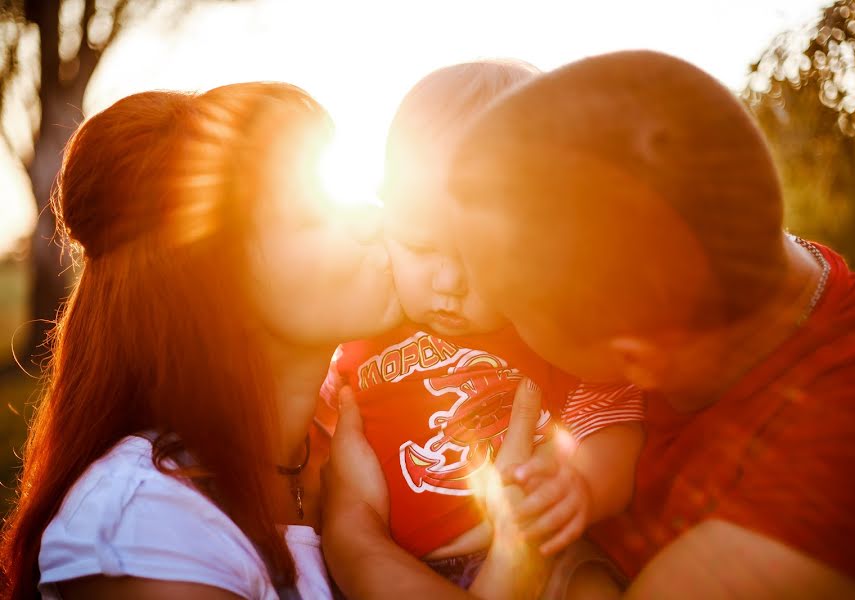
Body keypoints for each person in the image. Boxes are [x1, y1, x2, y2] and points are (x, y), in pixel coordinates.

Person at [0, 81, 555, 600]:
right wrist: (513, 560)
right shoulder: (149, 526)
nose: (371, 218)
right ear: (216, 282)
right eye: (314, 213)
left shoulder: (367, 443)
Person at [438, 51, 855, 598]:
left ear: (636, 363)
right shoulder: (705, 279)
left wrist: (362, 548)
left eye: (511, 312)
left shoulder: (848, 455)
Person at [318, 60, 644, 596]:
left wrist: (581, 484)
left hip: (542, 555)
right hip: (402, 566)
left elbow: (614, 426)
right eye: (420, 248)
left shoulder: (547, 328)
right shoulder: (365, 331)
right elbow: (315, 430)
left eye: (478, 257)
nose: (448, 281)